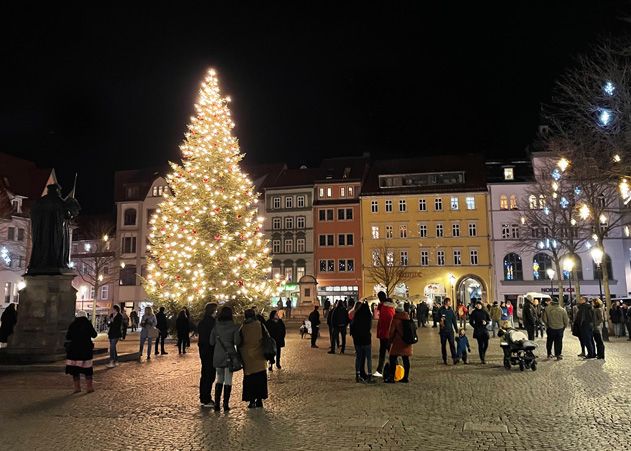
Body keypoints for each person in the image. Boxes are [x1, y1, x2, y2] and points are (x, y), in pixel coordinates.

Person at [209, 306, 241, 412]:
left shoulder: (216, 326)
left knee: (219, 378)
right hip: (229, 356)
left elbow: (211, 342)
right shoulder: (234, 327)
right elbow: (237, 342)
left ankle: (217, 404)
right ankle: (226, 405)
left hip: (217, 356)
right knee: (228, 379)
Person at [239, 308, 269, 409]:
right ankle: (260, 400)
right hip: (259, 355)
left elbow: (239, 341)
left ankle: (251, 401)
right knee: (260, 377)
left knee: (250, 379)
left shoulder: (243, 327)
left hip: (247, 356)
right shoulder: (260, 325)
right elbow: (267, 337)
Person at [65, 311, 97, 393]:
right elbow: (94, 334)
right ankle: (89, 387)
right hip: (85, 350)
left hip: (74, 350)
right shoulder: (88, 324)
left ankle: (77, 387)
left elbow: (68, 336)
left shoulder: (73, 324)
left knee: (75, 370)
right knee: (88, 369)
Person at [385, 302, 412, 383]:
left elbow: (391, 332)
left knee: (392, 358)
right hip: (407, 342)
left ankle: (391, 377)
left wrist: (389, 341)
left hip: (397, 343)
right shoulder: (408, 318)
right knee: (406, 359)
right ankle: (406, 377)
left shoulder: (395, 319)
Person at [197, 302, 217, 408]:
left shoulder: (202, 322)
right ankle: (207, 398)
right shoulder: (213, 323)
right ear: (212, 311)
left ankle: (203, 397)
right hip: (210, 351)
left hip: (203, 351)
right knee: (209, 375)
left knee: (204, 374)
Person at [350, 301, 374, 383]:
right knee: (369, 358)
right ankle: (370, 375)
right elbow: (369, 327)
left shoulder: (356, 316)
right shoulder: (368, 317)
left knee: (358, 358)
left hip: (358, 341)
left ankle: (357, 375)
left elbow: (352, 326)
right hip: (366, 340)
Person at [374, 291, 396, 377]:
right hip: (387, 333)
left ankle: (382, 370)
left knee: (385, 352)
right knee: (390, 352)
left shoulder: (385, 308)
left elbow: (385, 322)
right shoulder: (389, 307)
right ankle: (394, 368)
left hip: (386, 334)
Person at [438, 298, 458, 365]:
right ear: (445, 302)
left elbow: (454, 320)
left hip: (450, 331)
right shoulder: (440, 310)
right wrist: (440, 319)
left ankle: (454, 358)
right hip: (443, 331)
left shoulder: (451, 311)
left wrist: (456, 329)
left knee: (452, 344)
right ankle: (444, 359)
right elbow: (436, 317)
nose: (449, 303)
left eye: (449, 302)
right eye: (448, 302)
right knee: (443, 345)